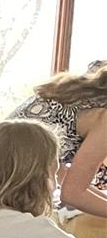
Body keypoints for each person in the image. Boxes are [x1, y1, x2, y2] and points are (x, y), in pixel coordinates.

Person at [11, 60, 107, 219]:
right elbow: (72, 194)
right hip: (12, 186)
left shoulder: (77, 99)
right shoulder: (103, 116)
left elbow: (65, 177)